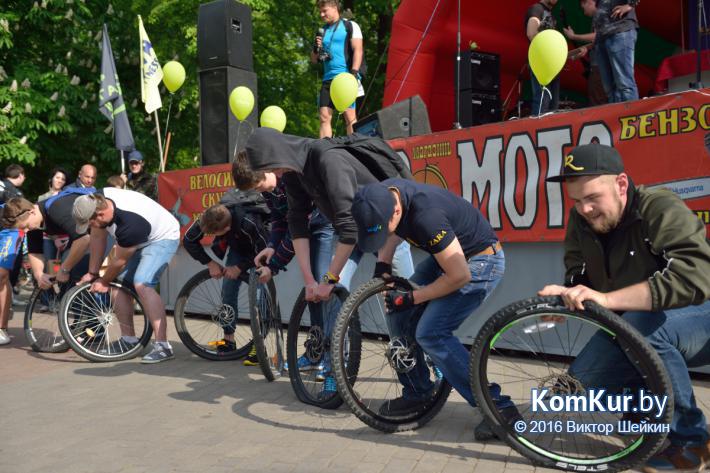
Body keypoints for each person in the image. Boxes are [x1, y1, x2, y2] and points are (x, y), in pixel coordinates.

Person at [539, 143, 710, 472]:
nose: (585, 209)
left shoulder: (658, 206)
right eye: (577, 201)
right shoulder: (581, 222)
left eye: (592, 198)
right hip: (635, 325)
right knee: (577, 393)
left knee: (637, 329)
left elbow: (695, 278)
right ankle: (645, 418)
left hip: (700, 315)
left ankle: (692, 439)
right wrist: (565, 298)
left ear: (620, 184)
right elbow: (580, 276)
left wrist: (607, 300)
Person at [240, 128, 414, 395]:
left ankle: (421, 361)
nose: (275, 174)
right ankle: (336, 369)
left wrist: (328, 278)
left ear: (278, 153)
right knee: (335, 295)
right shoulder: (293, 172)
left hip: (388, 227)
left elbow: (347, 227)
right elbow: (296, 222)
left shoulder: (325, 158)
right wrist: (312, 282)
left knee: (399, 298)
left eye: (272, 167)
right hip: (354, 232)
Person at [350, 178, 515, 434]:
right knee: (398, 311)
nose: (383, 234)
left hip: (480, 262)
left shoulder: (427, 216)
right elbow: (394, 230)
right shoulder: (383, 195)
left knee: (431, 333)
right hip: (447, 258)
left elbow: (460, 276)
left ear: (396, 210)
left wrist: (412, 298)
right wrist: (383, 263)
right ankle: (418, 392)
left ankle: (500, 409)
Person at [232, 156, 336, 376]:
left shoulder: (288, 180)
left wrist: (275, 265)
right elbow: (280, 220)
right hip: (302, 229)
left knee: (323, 287)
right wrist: (271, 245)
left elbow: (295, 231)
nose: (259, 191)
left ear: (266, 171)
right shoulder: (268, 190)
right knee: (312, 293)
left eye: (257, 185)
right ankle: (316, 352)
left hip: (322, 224)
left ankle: (336, 357)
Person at [72, 188, 180, 363]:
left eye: (90, 224)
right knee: (118, 284)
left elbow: (120, 261)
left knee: (142, 283)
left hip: (162, 236)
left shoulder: (129, 224)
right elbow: (97, 239)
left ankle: (163, 346)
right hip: (139, 234)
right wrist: (93, 273)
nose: (90, 228)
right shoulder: (97, 199)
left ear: (99, 215)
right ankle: (128, 340)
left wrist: (104, 280)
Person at [182, 190, 271, 361]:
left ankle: (259, 346)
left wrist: (240, 267)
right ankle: (229, 340)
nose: (212, 237)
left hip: (261, 248)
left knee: (257, 296)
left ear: (227, 228)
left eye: (216, 234)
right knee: (228, 290)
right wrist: (210, 263)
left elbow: (266, 252)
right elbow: (188, 240)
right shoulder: (210, 216)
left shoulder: (249, 222)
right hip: (238, 247)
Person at [2, 191, 93, 295]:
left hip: (105, 223)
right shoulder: (34, 223)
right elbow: (35, 251)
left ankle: (91, 305)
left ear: (32, 212)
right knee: (66, 264)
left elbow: (84, 239)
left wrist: (65, 270)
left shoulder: (55, 209)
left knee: (76, 268)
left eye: (26, 226)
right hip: (85, 232)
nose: (26, 231)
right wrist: (39, 275)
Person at [564, 0, 639, 103]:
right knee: (609, 88)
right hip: (603, 38)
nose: (584, 11)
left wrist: (629, 5)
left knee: (624, 83)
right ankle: (616, 116)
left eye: (583, 7)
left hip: (619, 32)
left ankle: (632, 116)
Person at [311, 0, 363, 138]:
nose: (322, 14)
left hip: (345, 77)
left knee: (349, 116)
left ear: (334, 7)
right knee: (324, 116)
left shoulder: (350, 26)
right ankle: (324, 150)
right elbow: (314, 59)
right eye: (320, 12)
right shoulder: (322, 31)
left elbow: (358, 50)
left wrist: (354, 73)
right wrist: (316, 47)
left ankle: (354, 149)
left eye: (324, 11)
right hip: (327, 78)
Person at [525, 0, 560, 116]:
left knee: (553, 104)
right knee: (542, 100)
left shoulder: (550, 14)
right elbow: (531, 33)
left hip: (552, 63)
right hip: (541, 62)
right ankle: (537, 130)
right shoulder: (537, 9)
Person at [38, 167, 69, 263]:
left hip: (66, 238)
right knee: (49, 266)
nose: (60, 181)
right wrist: (54, 238)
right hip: (48, 238)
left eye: (63, 179)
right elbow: (41, 222)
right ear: (51, 178)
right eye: (57, 177)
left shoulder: (67, 196)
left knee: (65, 267)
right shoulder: (42, 198)